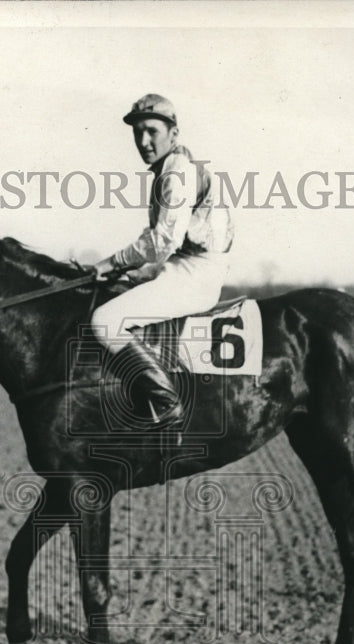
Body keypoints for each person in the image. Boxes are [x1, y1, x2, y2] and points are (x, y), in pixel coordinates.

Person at [90, 94, 234, 429]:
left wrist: (110, 264)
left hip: (197, 272)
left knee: (104, 321)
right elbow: (160, 240)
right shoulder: (169, 168)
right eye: (137, 132)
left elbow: (162, 240)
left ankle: (167, 405)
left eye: (151, 131)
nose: (143, 141)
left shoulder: (177, 172)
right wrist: (126, 269)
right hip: (183, 266)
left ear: (174, 133)